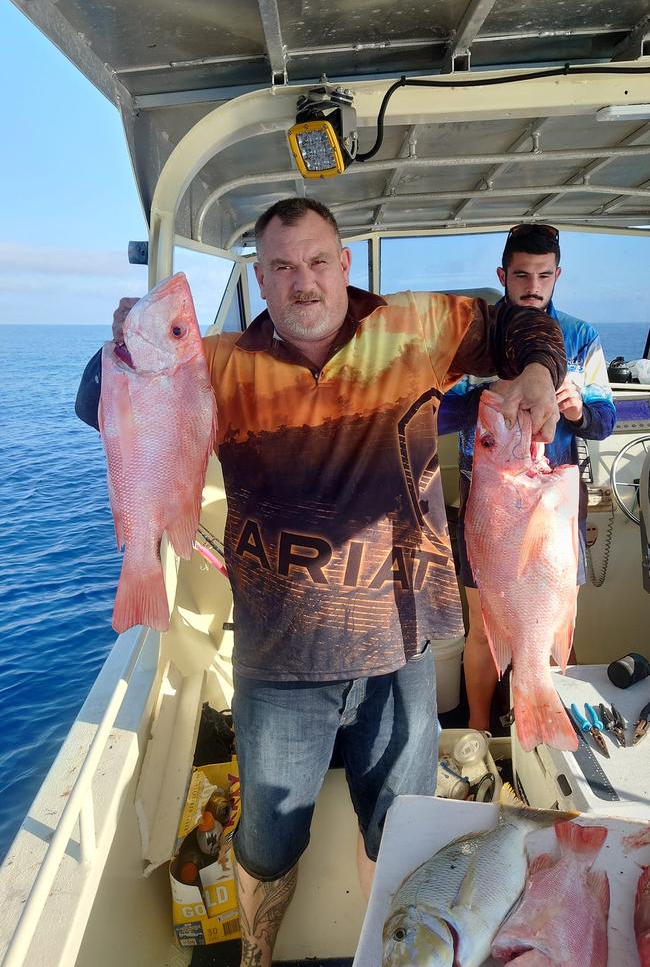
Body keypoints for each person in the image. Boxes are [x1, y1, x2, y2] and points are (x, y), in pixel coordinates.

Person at [76, 199, 566, 966]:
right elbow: (101, 403)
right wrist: (120, 346)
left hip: (399, 646)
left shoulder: (417, 326)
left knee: (399, 828)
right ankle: (257, 956)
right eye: (279, 267)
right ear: (260, 282)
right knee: (267, 846)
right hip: (277, 659)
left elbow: (519, 322)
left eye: (315, 262)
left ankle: (392, 951)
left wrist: (536, 370)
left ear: (343, 263)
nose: (301, 282)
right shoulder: (222, 362)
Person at [438, 223, 616, 733]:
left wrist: (579, 410)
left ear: (558, 275)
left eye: (543, 275)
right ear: (502, 275)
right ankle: (478, 732)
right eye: (520, 275)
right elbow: (442, 416)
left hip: (556, 513)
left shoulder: (581, 339)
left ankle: (553, 715)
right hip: (488, 504)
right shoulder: (475, 342)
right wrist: (491, 394)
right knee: (483, 629)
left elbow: (604, 423)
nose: (532, 286)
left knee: (559, 618)